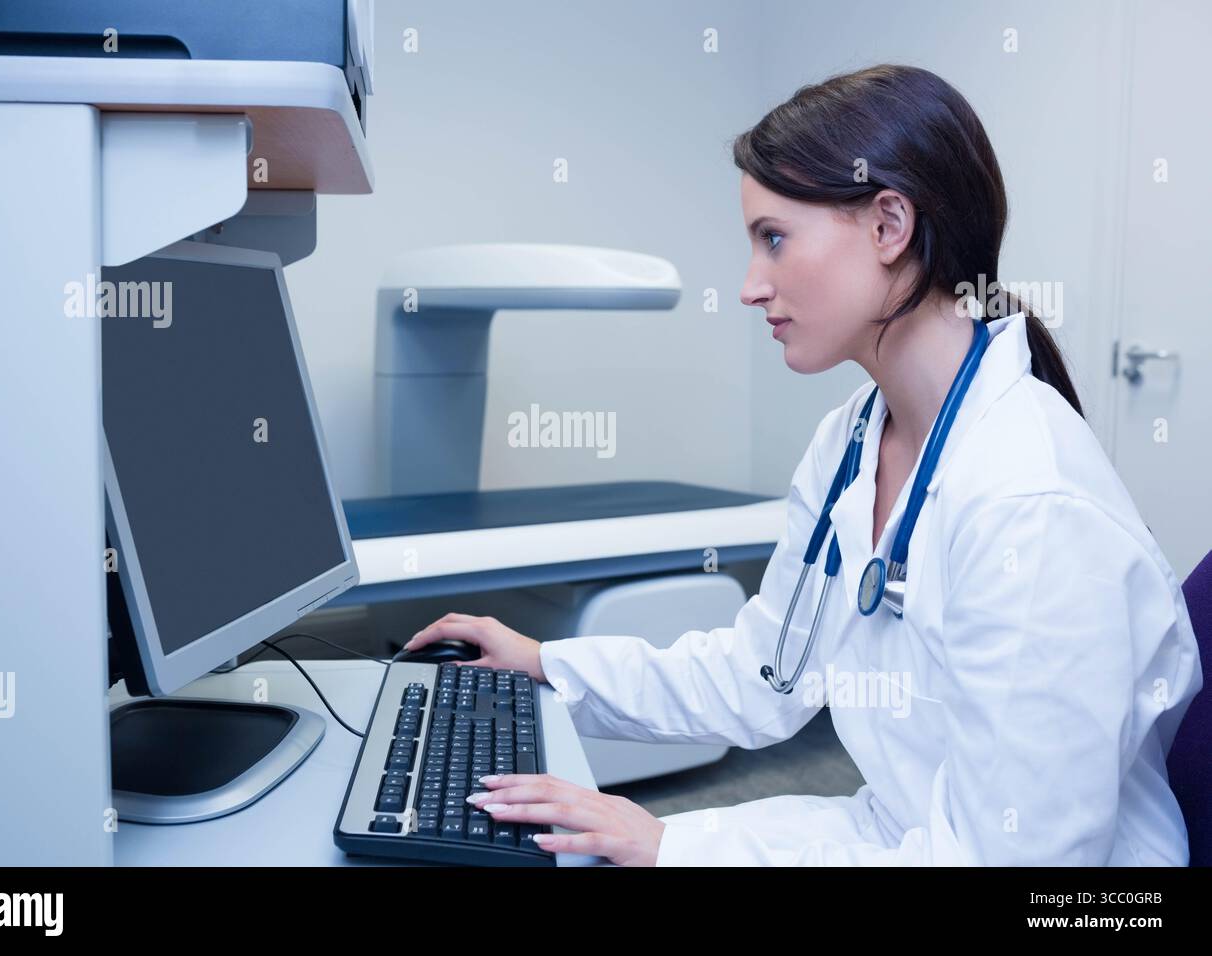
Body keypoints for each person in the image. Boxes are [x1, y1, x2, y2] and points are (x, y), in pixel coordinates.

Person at [403, 64, 1202, 866]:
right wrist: (548, 665)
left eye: (774, 239)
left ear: (890, 225)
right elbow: (764, 675)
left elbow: (1023, 865)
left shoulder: (1032, 506)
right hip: (898, 837)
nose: (751, 287)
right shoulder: (854, 439)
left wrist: (679, 849)